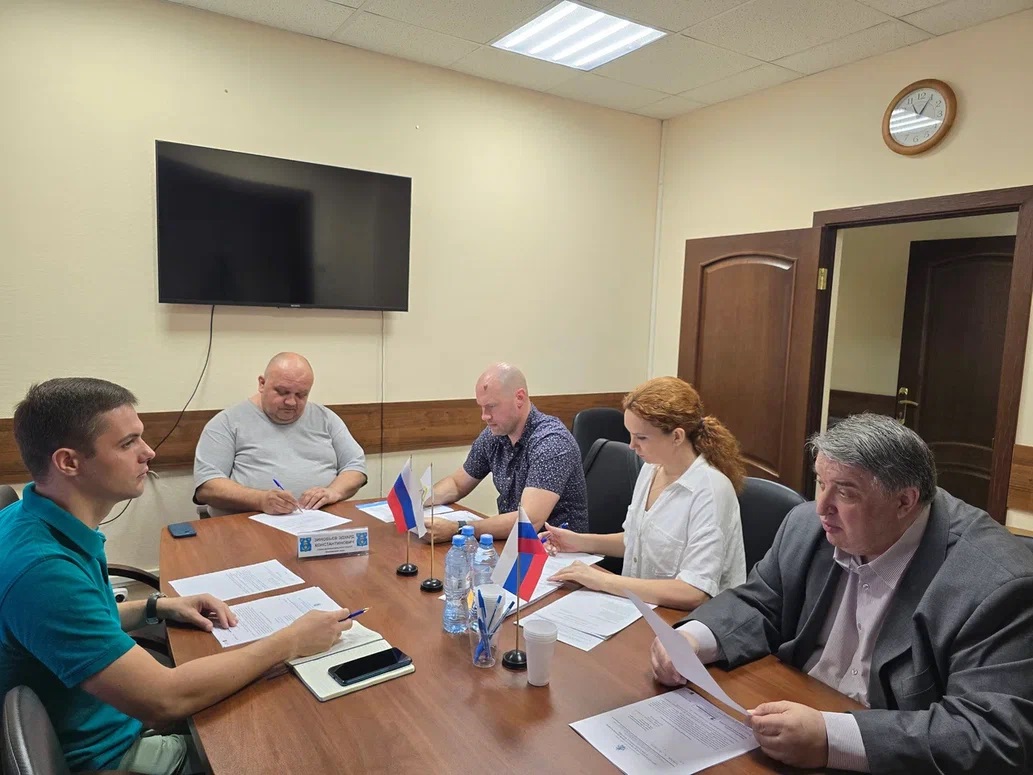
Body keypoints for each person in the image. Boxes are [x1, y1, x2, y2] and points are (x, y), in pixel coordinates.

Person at [0, 378, 352, 775]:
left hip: (110, 714)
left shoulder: (31, 517)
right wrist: (291, 641)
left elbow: (81, 621)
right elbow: (164, 699)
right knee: (305, 740)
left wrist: (157, 606)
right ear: (69, 462)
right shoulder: (44, 572)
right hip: (111, 754)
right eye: (127, 443)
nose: (148, 452)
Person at [650, 413, 1033, 774]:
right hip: (791, 713)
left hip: (886, 752)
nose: (821, 507)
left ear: (905, 501)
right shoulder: (807, 526)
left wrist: (832, 740)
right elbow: (762, 602)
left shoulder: (996, 583)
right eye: (821, 482)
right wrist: (693, 640)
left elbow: (989, 732)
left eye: (846, 492)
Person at [544, 377, 746, 610]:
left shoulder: (710, 490)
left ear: (677, 437)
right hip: (643, 608)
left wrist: (602, 580)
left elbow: (694, 592)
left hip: (689, 620)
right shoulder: (652, 469)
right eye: (630, 435)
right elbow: (636, 540)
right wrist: (579, 542)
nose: (631, 445)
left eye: (641, 437)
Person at [423, 363, 588, 542]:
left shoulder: (552, 441)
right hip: (512, 543)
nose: (484, 416)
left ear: (519, 398)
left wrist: (459, 529)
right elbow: (457, 484)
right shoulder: (495, 434)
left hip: (556, 549)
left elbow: (529, 521)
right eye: (481, 407)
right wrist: (420, 501)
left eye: (491, 406)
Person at [194, 352, 367, 516]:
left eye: (301, 395)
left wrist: (333, 492)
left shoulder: (325, 418)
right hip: (248, 524)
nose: (291, 402)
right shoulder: (227, 422)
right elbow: (207, 487)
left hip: (321, 520)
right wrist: (259, 500)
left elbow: (355, 466)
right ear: (262, 384)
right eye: (282, 392)